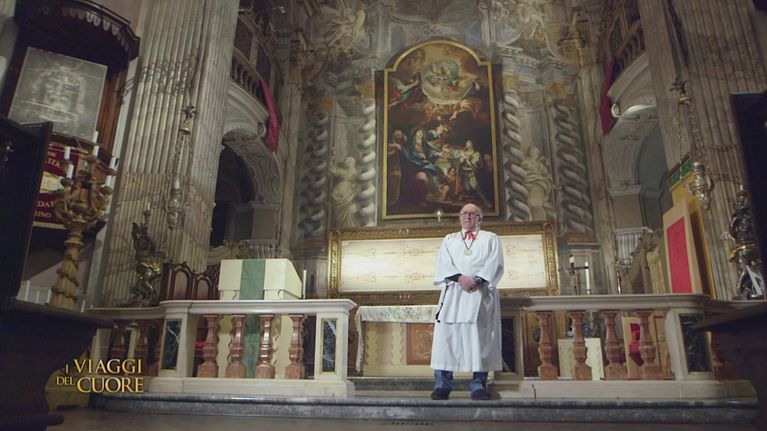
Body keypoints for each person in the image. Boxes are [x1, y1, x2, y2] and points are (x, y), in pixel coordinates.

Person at [430, 203, 504, 401]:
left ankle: (478, 386)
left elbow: (495, 263)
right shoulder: (449, 239)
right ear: (459, 217)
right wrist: (460, 279)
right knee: (447, 340)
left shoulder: (491, 238)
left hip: (480, 295)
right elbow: (443, 263)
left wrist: (476, 280)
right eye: (464, 213)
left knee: (479, 340)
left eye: (473, 213)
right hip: (454, 295)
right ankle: (442, 386)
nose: (468, 217)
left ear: (480, 218)